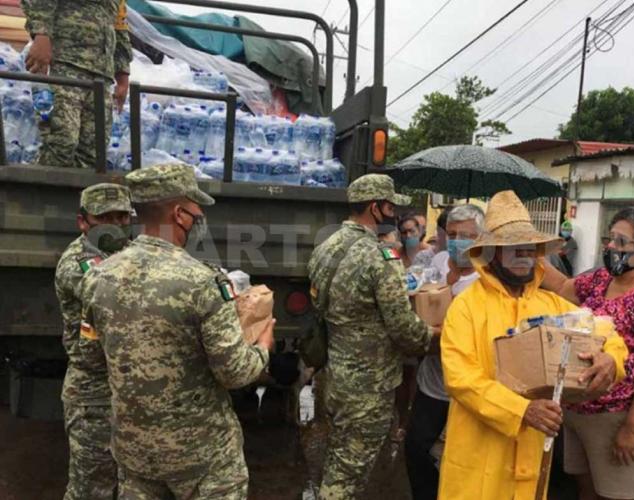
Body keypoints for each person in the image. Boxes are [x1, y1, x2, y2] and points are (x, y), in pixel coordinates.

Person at [79, 164, 275, 498]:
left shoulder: (98, 277)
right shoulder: (202, 282)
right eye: (197, 212)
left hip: (135, 452)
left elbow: (93, 357)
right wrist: (263, 347)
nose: (199, 220)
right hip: (201, 456)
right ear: (180, 214)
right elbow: (235, 372)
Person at [438, 190, 628, 500]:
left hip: (530, 461)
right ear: (492, 254)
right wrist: (522, 410)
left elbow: (606, 331)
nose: (523, 256)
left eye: (529, 248)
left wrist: (610, 359)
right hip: (477, 458)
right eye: (512, 248)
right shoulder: (466, 307)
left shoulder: (552, 305)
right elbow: (461, 379)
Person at [308, 174, 434, 500]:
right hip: (369, 386)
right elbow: (403, 327)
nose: (395, 214)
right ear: (376, 208)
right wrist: (434, 338)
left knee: (339, 456)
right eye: (391, 207)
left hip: (334, 374)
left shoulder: (325, 248)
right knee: (346, 477)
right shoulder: (380, 257)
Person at [542, 207, 634, 500]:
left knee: (616, 495)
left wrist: (632, 430)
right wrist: (528, 255)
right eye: (610, 239)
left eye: (621, 242)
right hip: (580, 410)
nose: (611, 247)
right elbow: (563, 286)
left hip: (619, 415)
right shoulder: (601, 280)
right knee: (586, 489)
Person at [54, 183, 131, 499]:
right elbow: (122, 300)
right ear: (83, 222)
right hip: (94, 396)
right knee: (92, 491)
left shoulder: (122, 251)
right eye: (104, 218)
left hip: (125, 390)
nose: (115, 224)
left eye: (122, 216)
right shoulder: (80, 263)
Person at [404, 203, 484, 500]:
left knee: (459, 455)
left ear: (482, 239)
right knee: (416, 447)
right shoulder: (437, 260)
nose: (457, 241)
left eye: (466, 235)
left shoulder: (486, 279)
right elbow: (417, 291)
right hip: (433, 382)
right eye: (451, 234)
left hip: (465, 386)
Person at [22, 0, 133, 168]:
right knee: (61, 142)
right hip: (65, 64)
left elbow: (120, 27)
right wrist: (41, 35)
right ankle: (38, 192)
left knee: (93, 153)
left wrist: (123, 76)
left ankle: (74, 195)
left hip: (101, 76)